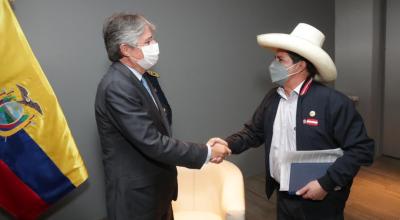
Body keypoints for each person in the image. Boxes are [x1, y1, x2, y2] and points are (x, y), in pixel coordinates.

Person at [218, 23, 375, 219]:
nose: (272, 65)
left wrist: (325, 183)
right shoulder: (272, 98)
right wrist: (227, 144)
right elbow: (253, 132)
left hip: (322, 198)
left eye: (279, 59)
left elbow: (362, 149)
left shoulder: (333, 102)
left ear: (300, 66)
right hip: (283, 195)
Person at [95, 13, 230, 220]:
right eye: (148, 41)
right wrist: (207, 152)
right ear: (126, 49)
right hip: (137, 200)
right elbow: (153, 142)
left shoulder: (142, 77)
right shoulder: (117, 87)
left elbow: (160, 127)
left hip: (157, 191)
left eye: (153, 39)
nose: (155, 45)